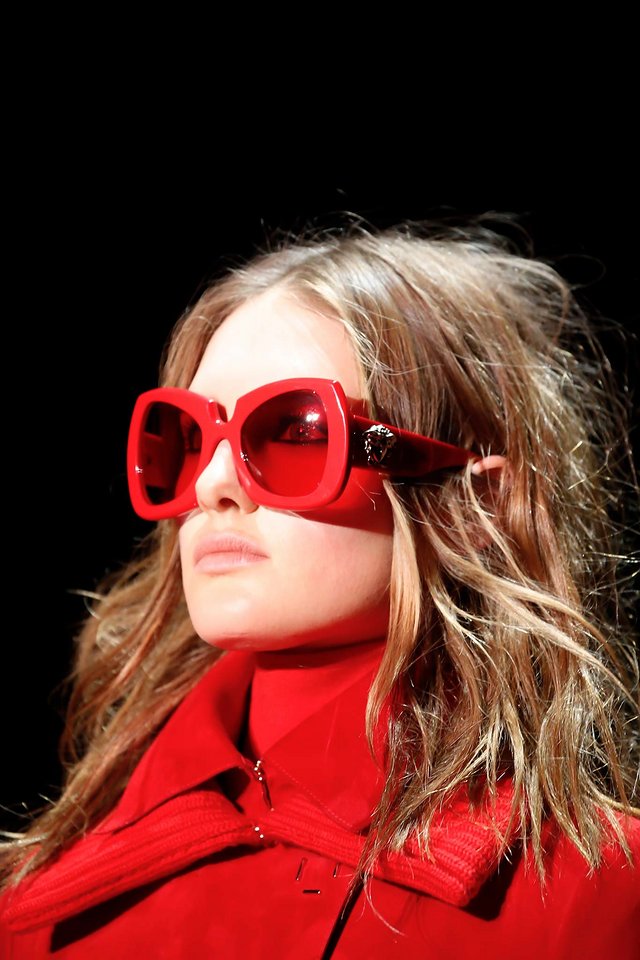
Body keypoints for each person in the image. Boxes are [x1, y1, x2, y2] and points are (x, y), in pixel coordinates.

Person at [1, 219, 638, 958]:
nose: (211, 486)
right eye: (190, 438)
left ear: (475, 507)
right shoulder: (38, 909)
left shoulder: (591, 897)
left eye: (296, 432)